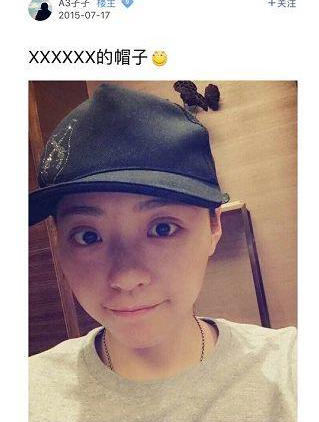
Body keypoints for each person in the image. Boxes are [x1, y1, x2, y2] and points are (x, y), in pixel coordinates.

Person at [29, 84, 297, 421]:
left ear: (214, 225)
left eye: (162, 229)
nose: (126, 277)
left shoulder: (290, 371)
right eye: (88, 236)